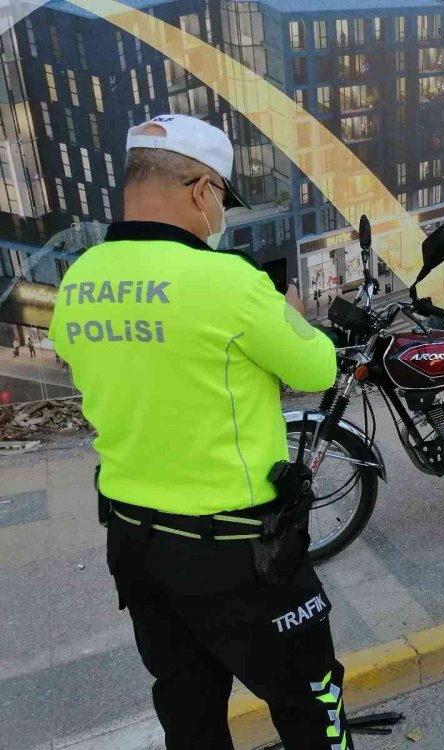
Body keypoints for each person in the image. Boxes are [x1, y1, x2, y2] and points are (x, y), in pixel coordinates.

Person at [49, 114, 353, 750]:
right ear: (201, 189)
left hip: (135, 543)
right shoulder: (230, 282)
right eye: (222, 197)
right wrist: (292, 315)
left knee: (187, 712)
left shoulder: (79, 280)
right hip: (239, 551)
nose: (220, 214)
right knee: (309, 698)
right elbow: (318, 367)